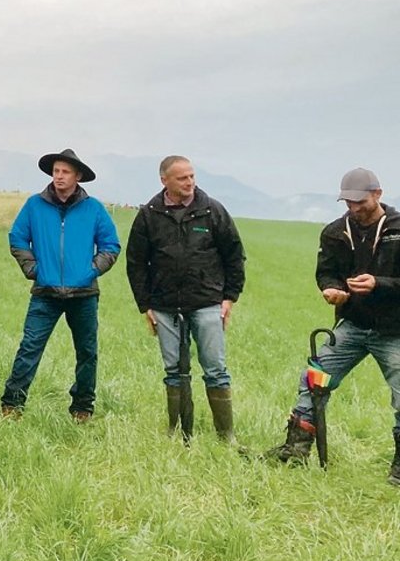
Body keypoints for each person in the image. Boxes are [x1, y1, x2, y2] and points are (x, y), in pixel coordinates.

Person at [266, 169, 400, 482]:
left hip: (394, 330)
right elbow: (325, 272)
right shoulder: (334, 232)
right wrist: (331, 289)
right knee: (315, 379)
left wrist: (378, 284)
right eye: (348, 202)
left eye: (361, 201)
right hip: (351, 325)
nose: (354, 208)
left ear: (377, 194)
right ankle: (296, 449)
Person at [126, 156, 246, 441]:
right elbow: (136, 263)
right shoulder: (149, 214)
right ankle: (178, 431)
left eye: (192, 176)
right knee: (174, 371)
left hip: (206, 302)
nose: (190, 182)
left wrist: (229, 298)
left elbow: (234, 255)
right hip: (164, 306)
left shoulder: (212, 210)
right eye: (182, 178)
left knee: (215, 369)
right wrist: (146, 305)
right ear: (164, 180)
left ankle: (225, 435)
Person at [0, 149, 120, 421]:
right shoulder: (34, 205)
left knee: (87, 352)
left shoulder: (94, 208)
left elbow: (111, 245)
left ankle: (82, 408)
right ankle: (11, 406)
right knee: (30, 347)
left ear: (78, 176)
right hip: (45, 292)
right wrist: (33, 269)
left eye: (65, 172)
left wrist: (91, 270)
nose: (59, 176)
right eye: (56, 171)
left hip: (84, 294)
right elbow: (17, 238)